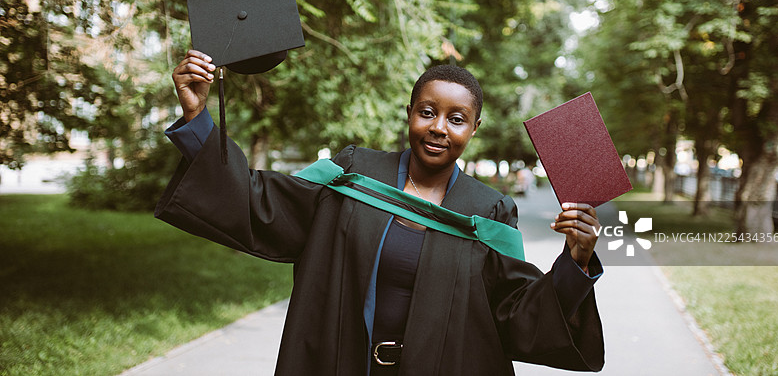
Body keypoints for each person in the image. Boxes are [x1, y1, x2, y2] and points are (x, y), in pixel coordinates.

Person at [156, 49, 605, 375]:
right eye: (427, 112)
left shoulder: (487, 211)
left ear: (474, 128)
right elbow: (260, 202)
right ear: (409, 113)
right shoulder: (353, 175)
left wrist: (577, 260)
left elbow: (516, 313)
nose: (438, 128)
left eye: (456, 118)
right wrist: (198, 118)